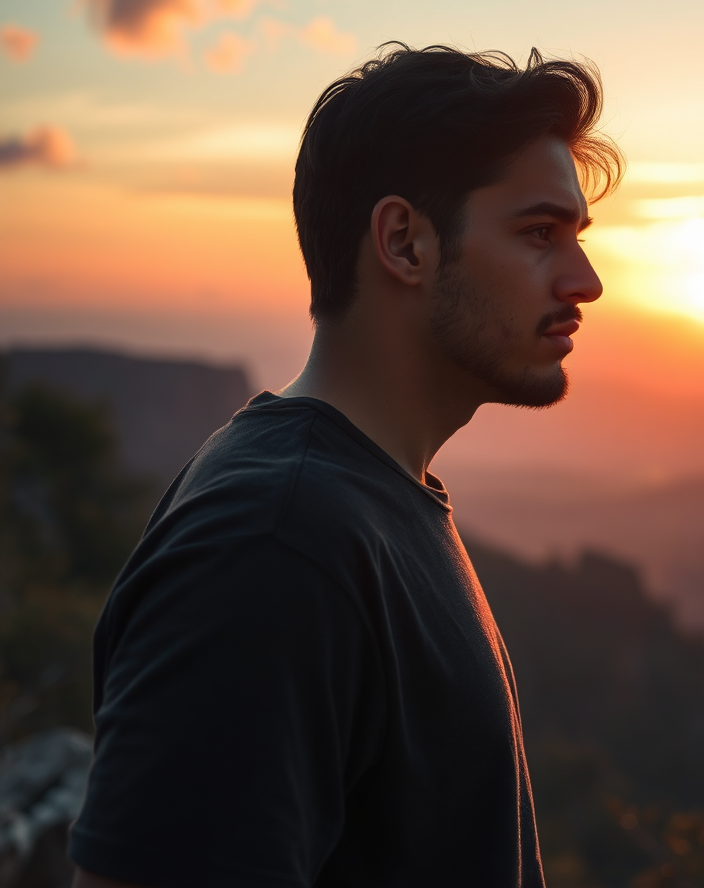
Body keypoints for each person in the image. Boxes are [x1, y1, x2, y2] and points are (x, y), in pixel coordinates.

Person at [69, 44, 622, 888]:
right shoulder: (274, 544)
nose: (585, 281)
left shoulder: (365, 507)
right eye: (539, 234)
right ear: (404, 242)